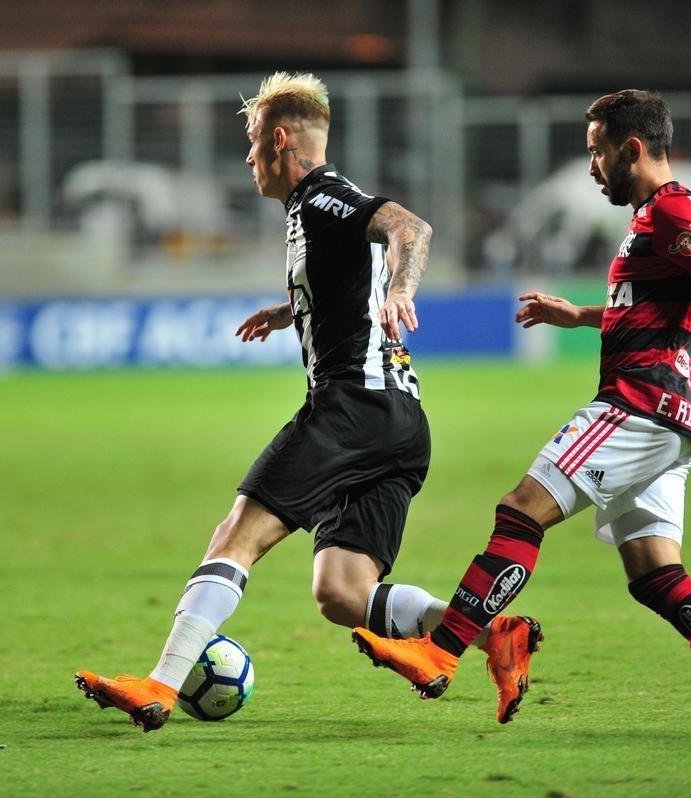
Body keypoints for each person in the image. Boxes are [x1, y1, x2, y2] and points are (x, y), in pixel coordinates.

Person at [75, 71, 538, 732]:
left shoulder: (321, 196)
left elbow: (411, 227)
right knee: (341, 592)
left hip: (353, 407)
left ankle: (160, 685)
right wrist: (292, 311)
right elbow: (350, 274)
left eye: (254, 142)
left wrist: (404, 288)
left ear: (282, 139)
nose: (248, 158)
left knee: (235, 537)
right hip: (401, 423)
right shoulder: (313, 214)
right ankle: (495, 636)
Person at [352, 90, 691, 738]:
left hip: (638, 404)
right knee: (655, 575)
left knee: (521, 509)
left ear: (633, 148)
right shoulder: (656, 215)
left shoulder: (675, 205)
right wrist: (582, 315)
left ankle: (439, 649)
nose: (592, 167)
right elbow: (661, 305)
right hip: (673, 419)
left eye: (597, 152)